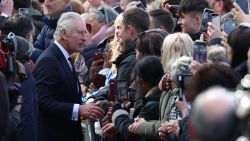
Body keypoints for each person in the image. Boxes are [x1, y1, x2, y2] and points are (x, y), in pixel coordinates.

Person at [33, 12, 104, 141]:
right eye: (80, 33)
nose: (84, 38)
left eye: (85, 32)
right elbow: (42, 102)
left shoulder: (65, 56)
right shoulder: (48, 60)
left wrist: (88, 106)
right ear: (64, 34)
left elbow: (65, 95)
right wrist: (79, 109)